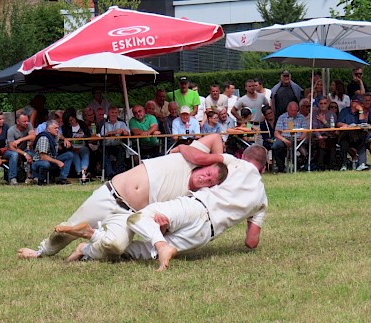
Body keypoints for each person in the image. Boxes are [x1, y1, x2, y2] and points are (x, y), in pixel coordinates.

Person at [17, 134, 227, 260]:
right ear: (205, 165)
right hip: (111, 194)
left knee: (116, 247)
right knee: (68, 229)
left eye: (211, 182)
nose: (205, 180)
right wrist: (221, 159)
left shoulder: (189, 197)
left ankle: (85, 248)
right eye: (207, 174)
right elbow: (216, 137)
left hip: (130, 215)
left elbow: (169, 221)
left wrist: (163, 225)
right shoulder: (187, 159)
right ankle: (40, 252)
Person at [124, 144, 268, 271]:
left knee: (141, 217)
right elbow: (251, 242)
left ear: (243, 156)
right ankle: (158, 246)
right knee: (143, 252)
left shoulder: (235, 162)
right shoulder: (262, 199)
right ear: (263, 169)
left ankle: (160, 245)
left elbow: (199, 158)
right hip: (203, 234)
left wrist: (181, 147)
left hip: (196, 206)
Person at [31, 120, 73, 185]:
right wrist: (58, 162)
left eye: (58, 128)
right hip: (39, 161)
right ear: (48, 129)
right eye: (55, 128)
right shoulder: (44, 138)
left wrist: (65, 139)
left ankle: (62, 179)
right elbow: (43, 157)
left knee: (69, 155)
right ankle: (40, 179)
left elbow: (60, 135)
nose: (57, 130)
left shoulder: (55, 136)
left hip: (52, 159)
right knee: (46, 164)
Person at [336, 96, 370, 171]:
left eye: (360, 103)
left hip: (358, 135)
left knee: (362, 141)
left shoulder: (361, 112)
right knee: (344, 142)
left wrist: (361, 111)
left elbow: (363, 123)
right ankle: (344, 165)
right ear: (352, 103)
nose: (360, 105)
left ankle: (361, 164)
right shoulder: (345, 111)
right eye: (358, 103)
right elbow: (338, 123)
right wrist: (344, 125)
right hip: (346, 135)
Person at [273, 101, 308, 173]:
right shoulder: (282, 117)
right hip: (284, 138)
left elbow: (305, 130)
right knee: (276, 146)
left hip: (297, 138)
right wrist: (284, 140)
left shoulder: (301, 117)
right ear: (288, 109)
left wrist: (302, 137)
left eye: (295, 110)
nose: (294, 112)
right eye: (292, 110)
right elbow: (276, 133)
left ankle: (299, 166)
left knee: (304, 150)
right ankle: (281, 168)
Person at [5, 112, 35, 185]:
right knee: (14, 155)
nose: (26, 123)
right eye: (24, 121)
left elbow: (33, 137)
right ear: (18, 122)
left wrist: (20, 140)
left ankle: (32, 177)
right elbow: (12, 147)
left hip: (23, 149)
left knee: (32, 154)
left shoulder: (28, 125)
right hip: (9, 151)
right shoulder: (11, 131)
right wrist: (24, 154)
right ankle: (13, 178)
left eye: (27, 121)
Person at [60, 109, 91, 181]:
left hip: (82, 146)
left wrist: (83, 136)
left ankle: (83, 171)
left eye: (72, 120)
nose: (71, 122)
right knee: (74, 156)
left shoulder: (82, 124)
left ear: (75, 117)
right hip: (72, 147)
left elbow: (88, 135)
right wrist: (72, 148)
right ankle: (81, 173)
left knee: (85, 152)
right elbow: (65, 139)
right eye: (69, 121)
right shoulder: (65, 127)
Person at [100, 106, 130, 179]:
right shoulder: (104, 123)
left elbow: (128, 133)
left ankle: (117, 173)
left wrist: (123, 131)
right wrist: (114, 132)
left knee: (122, 151)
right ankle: (110, 174)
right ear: (108, 113)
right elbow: (103, 134)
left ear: (118, 114)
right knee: (103, 153)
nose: (114, 114)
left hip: (117, 144)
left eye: (115, 113)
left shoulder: (121, 123)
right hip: (106, 145)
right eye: (112, 112)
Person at [311, 96, 338, 170]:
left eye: (325, 103)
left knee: (331, 143)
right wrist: (320, 137)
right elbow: (314, 127)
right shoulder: (314, 113)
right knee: (320, 143)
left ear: (328, 104)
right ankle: (320, 167)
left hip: (330, 136)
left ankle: (332, 167)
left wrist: (324, 121)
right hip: (318, 136)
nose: (323, 105)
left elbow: (332, 130)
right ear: (318, 104)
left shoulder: (332, 114)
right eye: (321, 103)